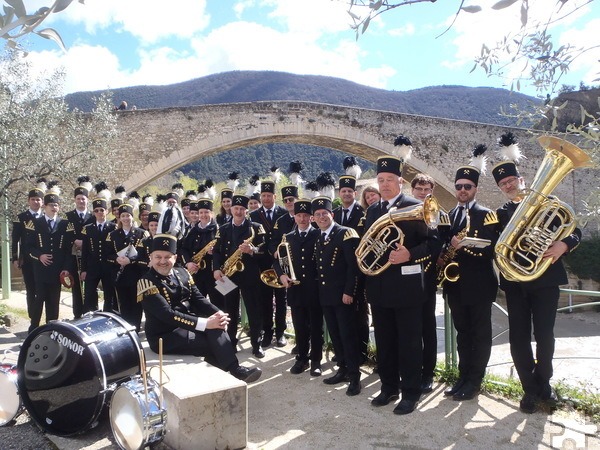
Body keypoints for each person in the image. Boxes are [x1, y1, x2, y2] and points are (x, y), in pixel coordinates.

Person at [492, 132, 581, 414]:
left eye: (511, 180)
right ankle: (529, 389)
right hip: (515, 282)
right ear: (501, 188)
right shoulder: (500, 213)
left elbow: (574, 230)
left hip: (545, 280)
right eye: (503, 183)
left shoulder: (548, 203)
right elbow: (494, 246)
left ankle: (545, 383)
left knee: (545, 335)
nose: (508, 185)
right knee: (518, 336)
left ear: (521, 180)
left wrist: (563, 244)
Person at [363, 148, 434, 415]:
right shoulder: (372, 211)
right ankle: (388, 387)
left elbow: (432, 243)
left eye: (389, 180)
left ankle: (411, 393)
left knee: (409, 342)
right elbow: (367, 245)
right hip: (379, 287)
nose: (384, 184)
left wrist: (409, 254)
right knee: (385, 341)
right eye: (380, 180)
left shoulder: (416, 207)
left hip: (407, 288)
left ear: (400, 182)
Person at [137, 233, 262, 383]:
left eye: (167, 257)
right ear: (151, 258)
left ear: (175, 258)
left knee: (217, 327)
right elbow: (167, 315)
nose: (162, 261)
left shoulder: (182, 273)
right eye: (158, 257)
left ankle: (228, 372)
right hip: (164, 336)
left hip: (188, 326)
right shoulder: (146, 282)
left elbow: (199, 299)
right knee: (213, 343)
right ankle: (232, 371)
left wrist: (218, 313)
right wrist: (205, 323)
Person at [440, 145, 500, 402]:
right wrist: (445, 252)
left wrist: (464, 246)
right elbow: (442, 245)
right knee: (462, 334)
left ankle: (475, 381)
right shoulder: (449, 215)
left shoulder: (487, 215)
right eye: (459, 187)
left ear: (475, 189)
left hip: (479, 284)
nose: (462, 191)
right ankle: (462, 377)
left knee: (480, 335)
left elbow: (494, 250)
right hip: (455, 285)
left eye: (468, 187)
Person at [312, 196, 362, 396]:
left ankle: (355, 377)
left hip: (343, 296)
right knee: (335, 335)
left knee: (348, 336)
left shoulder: (346, 233)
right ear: (314, 218)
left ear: (332, 214)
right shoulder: (318, 236)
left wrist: (349, 291)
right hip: (327, 296)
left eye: (325, 213)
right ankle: (342, 369)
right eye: (318, 215)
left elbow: (353, 267)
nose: (322, 217)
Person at [274, 198, 324, 376]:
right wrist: (281, 275)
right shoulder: (288, 237)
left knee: (316, 327)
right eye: (299, 215)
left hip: (315, 289)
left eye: (305, 216)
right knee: (299, 326)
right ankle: (302, 358)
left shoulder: (318, 235)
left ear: (311, 218)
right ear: (294, 217)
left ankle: (316, 360)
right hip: (295, 290)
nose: (302, 219)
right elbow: (277, 260)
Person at [213, 194, 266, 357]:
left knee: (254, 310)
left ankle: (257, 344)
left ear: (246, 210)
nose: (238, 211)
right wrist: (216, 269)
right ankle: (231, 342)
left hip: (249, 275)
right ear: (231, 209)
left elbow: (264, 250)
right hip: (228, 275)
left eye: (242, 209)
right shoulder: (223, 229)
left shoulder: (256, 227)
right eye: (236, 208)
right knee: (230, 311)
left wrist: (252, 250)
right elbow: (216, 251)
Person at [410, 173, 444, 393]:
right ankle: (410, 370)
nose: (423, 194)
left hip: (427, 278)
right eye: (419, 190)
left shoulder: (437, 215)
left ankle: (427, 373)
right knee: (407, 329)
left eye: (426, 190)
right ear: (412, 190)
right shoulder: (405, 211)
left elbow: (437, 245)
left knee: (427, 328)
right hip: (404, 281)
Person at [25, 184, 75, 332]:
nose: (54, 208)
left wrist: (66, 268)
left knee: (54, 300)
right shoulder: (34, 223)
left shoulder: (64, 224)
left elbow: (68, 250)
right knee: (39, 298)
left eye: (56, 205)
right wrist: (39, 256)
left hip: (57, 269)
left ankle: (52, 328)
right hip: (40, 269)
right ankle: (34, 327)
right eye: (51, 205)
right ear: (45, 206)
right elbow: (28, 247)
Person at [333, 174, 369, 364]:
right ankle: (345, 352)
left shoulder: (363, 213)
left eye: (350, 191)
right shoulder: (334, 214)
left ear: (355, 193)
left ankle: (361, 353)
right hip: (338, 271)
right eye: (343, 191)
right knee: (342, 315)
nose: (346, 194)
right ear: (339, 193)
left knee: (360, 314)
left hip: (358, 269)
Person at [249, 180, 288, 349]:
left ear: (274, 196)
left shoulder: (283, 213)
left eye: (268, 195)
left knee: (281, 299)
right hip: (262, 262)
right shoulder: (254, 215)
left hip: (281, 263)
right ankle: (267, 332)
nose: (266, 198)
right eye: (263, 196)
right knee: (264, 300)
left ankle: (280, 333)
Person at [107, 203, 148, 331]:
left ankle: (135, 328)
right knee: (123, 303)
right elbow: (107, 255)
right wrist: (116, 259)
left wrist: (130, 260)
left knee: (136, 304)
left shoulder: (141, 233)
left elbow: (143, 255)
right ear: (119, 218)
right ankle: (126, 329)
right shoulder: (112, 235)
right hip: (120, 276)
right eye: (123, 216)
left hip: (136, 275)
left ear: (132, 217)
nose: (125, 218)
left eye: (128, 215)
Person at [12, 181, 44, 327]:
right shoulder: (21, 217)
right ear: (28, 201)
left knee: (41, 289)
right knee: (31, 289)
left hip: (42, 259)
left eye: (38, 199)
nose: (35, 202)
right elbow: (15, 239)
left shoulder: (46, 217)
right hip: (27, 259)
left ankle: (39, 316)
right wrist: (15, 257)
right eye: (33, 199)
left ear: (42, 202)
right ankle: (33, 318)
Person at [80, 196, 117, 313]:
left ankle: (107, 318)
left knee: (109, 296)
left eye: (102, 210)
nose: (99, 212)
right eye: (96, 210)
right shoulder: (88, 229)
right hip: (92, 267)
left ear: (106, 211)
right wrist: (83, 270)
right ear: (93, 213)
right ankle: (89, 318)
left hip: (108, 267)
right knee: (89, 295)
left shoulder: (113, 227)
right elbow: (85, 251)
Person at [181, 199, 220, 307]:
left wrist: (215, 252)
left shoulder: (218, 230)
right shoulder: (193, 231)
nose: (203, 215)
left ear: (211, 213)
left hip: (213, 274)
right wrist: (188, 263)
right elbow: (183, 249)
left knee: (217, 303)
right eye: (201, 212)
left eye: (206, 212)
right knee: (197, 305)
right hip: (196, 273)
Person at [64, 176, 94, 319]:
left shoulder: (93, 217)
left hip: (88, 256)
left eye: (84, 199)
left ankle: (89, 312)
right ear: (75, 200)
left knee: (89, 285)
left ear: (87, 200)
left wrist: (85, 243)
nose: (81, 201)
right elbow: (64, 235)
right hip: (73, 255)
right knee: (76, 285)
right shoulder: (68, 216)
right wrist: (74, 241)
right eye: (79, 199)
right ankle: (77, 313)